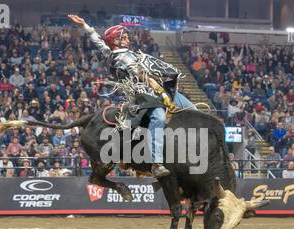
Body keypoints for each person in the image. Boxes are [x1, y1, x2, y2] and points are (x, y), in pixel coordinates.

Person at [67, 14, 197, 178]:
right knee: (158, 118)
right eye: (124, 36)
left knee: (193, 111)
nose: (128, 38)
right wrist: (162, 93)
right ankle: (156, 163)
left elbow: (100, 43)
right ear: (116, 41)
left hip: (161, 91)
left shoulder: (113, 53)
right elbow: (142, 75)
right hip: (145, 97)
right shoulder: (123, 57)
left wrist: (86, 26)